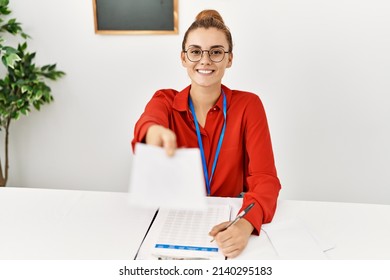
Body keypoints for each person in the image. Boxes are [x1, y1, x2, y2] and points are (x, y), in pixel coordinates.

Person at [131, 9, 281, 258]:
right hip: (175, 220)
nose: (205, 60)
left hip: (230, 216)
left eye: (216, 52)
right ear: (183, 57)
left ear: (229, 59)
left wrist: (245, 224)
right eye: (196, 51)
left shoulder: (249, 106)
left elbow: (265, 177)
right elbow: (149, 122)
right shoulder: (165, 101)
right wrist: (153, 133)